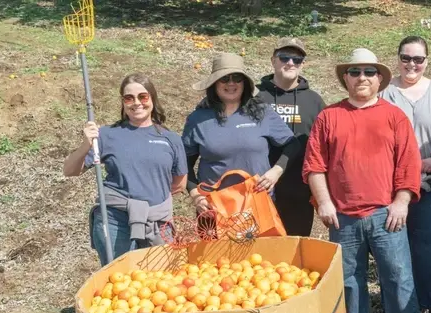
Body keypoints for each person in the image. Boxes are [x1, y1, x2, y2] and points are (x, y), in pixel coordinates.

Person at [302, 48, 422, 313]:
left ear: (379, 79)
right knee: (349, 283)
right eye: (355, 72)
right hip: (343, 217)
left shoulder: (395, 116)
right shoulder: (328, 116)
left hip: (386, 215)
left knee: (399, 280)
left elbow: (409, 163)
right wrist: (324, 202)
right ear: (346, 78)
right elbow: (314, 165)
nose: (362, 77)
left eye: (369, 72)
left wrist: (401, 202)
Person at [379, 35, 431, 313]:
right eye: (406, 58)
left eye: (418, 59)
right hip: (391, 184)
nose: (411, 64)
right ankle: (400, 305)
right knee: (394, 246)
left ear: (427, 60)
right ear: (398, 59)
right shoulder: (384, 93)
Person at [62, 73, 187, 265]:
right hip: (115, 221)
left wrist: (148, 203)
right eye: (129, 98)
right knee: (119, 278)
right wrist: (86, 144)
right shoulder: (107, 135)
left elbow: (179, 184)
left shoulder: (171, 139)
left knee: (161, 280)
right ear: (123, 102)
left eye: (143, 97)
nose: (136, 103)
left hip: (158, 222)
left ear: (152, 98)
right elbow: (70, 170)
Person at [182, 53, 300, 218]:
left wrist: (276, 171)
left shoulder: (263, 112)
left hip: (257, 203)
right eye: (224, 79)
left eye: (237, 78)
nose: (231, 83)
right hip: (214, 208)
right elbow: (183, 163)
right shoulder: (198, 118)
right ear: (214, 83)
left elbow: (293, 144)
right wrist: (196, 194)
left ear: (244, 83)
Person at [255, 37, 327, 237]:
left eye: (297, 59)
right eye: (284, 57)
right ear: (273, 60)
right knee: (258, 250)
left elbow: (324, 145)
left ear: (303, 64)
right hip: (259, 188)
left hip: (299, 191)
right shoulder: (256, 97)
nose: (290, 63)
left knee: (295, 249)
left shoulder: (314, 101)